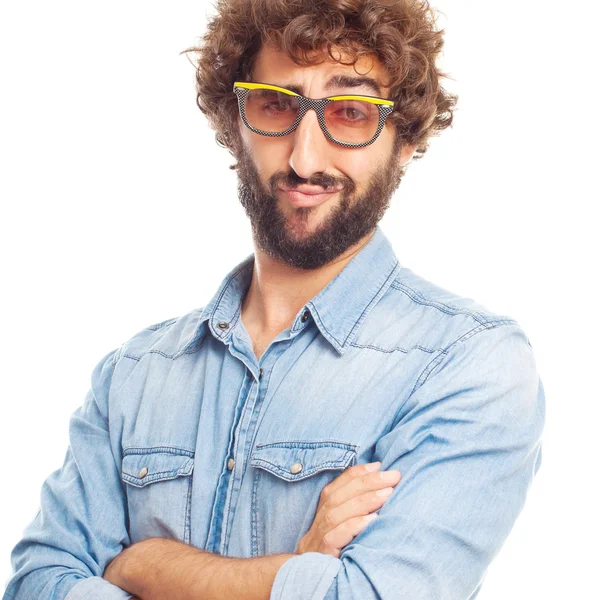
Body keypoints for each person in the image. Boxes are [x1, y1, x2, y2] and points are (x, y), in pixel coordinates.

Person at [3, 1, 546, 599]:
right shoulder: (135, 373)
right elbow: (37, 582)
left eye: (351, 112)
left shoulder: (469, 363)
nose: (304, 158)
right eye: (275, 105)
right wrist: (298, 570)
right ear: (233, 122)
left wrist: (143, 564)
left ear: (405, 138)